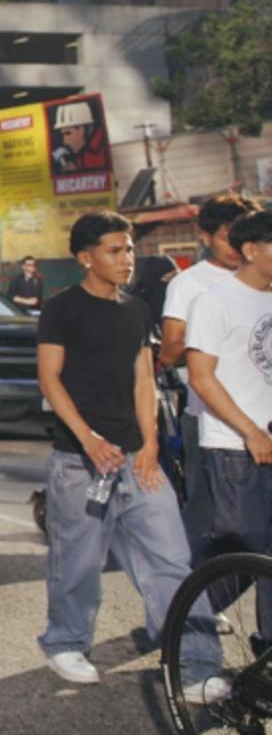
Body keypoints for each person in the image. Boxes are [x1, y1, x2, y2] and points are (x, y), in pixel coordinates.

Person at [34, 210, 225, 698]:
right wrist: (88, 439)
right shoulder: (62, 309)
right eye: (114, 251)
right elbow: (49, 378)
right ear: (85, 257)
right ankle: (66, 642)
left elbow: (145, 380)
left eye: (130, 250)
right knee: (77, 561)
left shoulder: (136, 310)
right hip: (80, 464)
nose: (126, 259)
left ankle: (196, 665)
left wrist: (151, 446)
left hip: (138, 460)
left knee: (172, 561)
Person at [184, 209, 272, 640]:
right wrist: (250, 430)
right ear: (251, 250)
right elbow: (201, 376)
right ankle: (188, 627)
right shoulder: (214, 300)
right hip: (234, 448)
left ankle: (267, 651)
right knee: (243, 550)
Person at [160, 194, 260, 555]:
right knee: (208, 520)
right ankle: (187, 604)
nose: (236, 246)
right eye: (225, 236)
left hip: (261, 419)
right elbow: (170, 352)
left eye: (243, 235)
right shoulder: (189, 284)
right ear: (205, 238)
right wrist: (213, 335)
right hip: (207, 420)